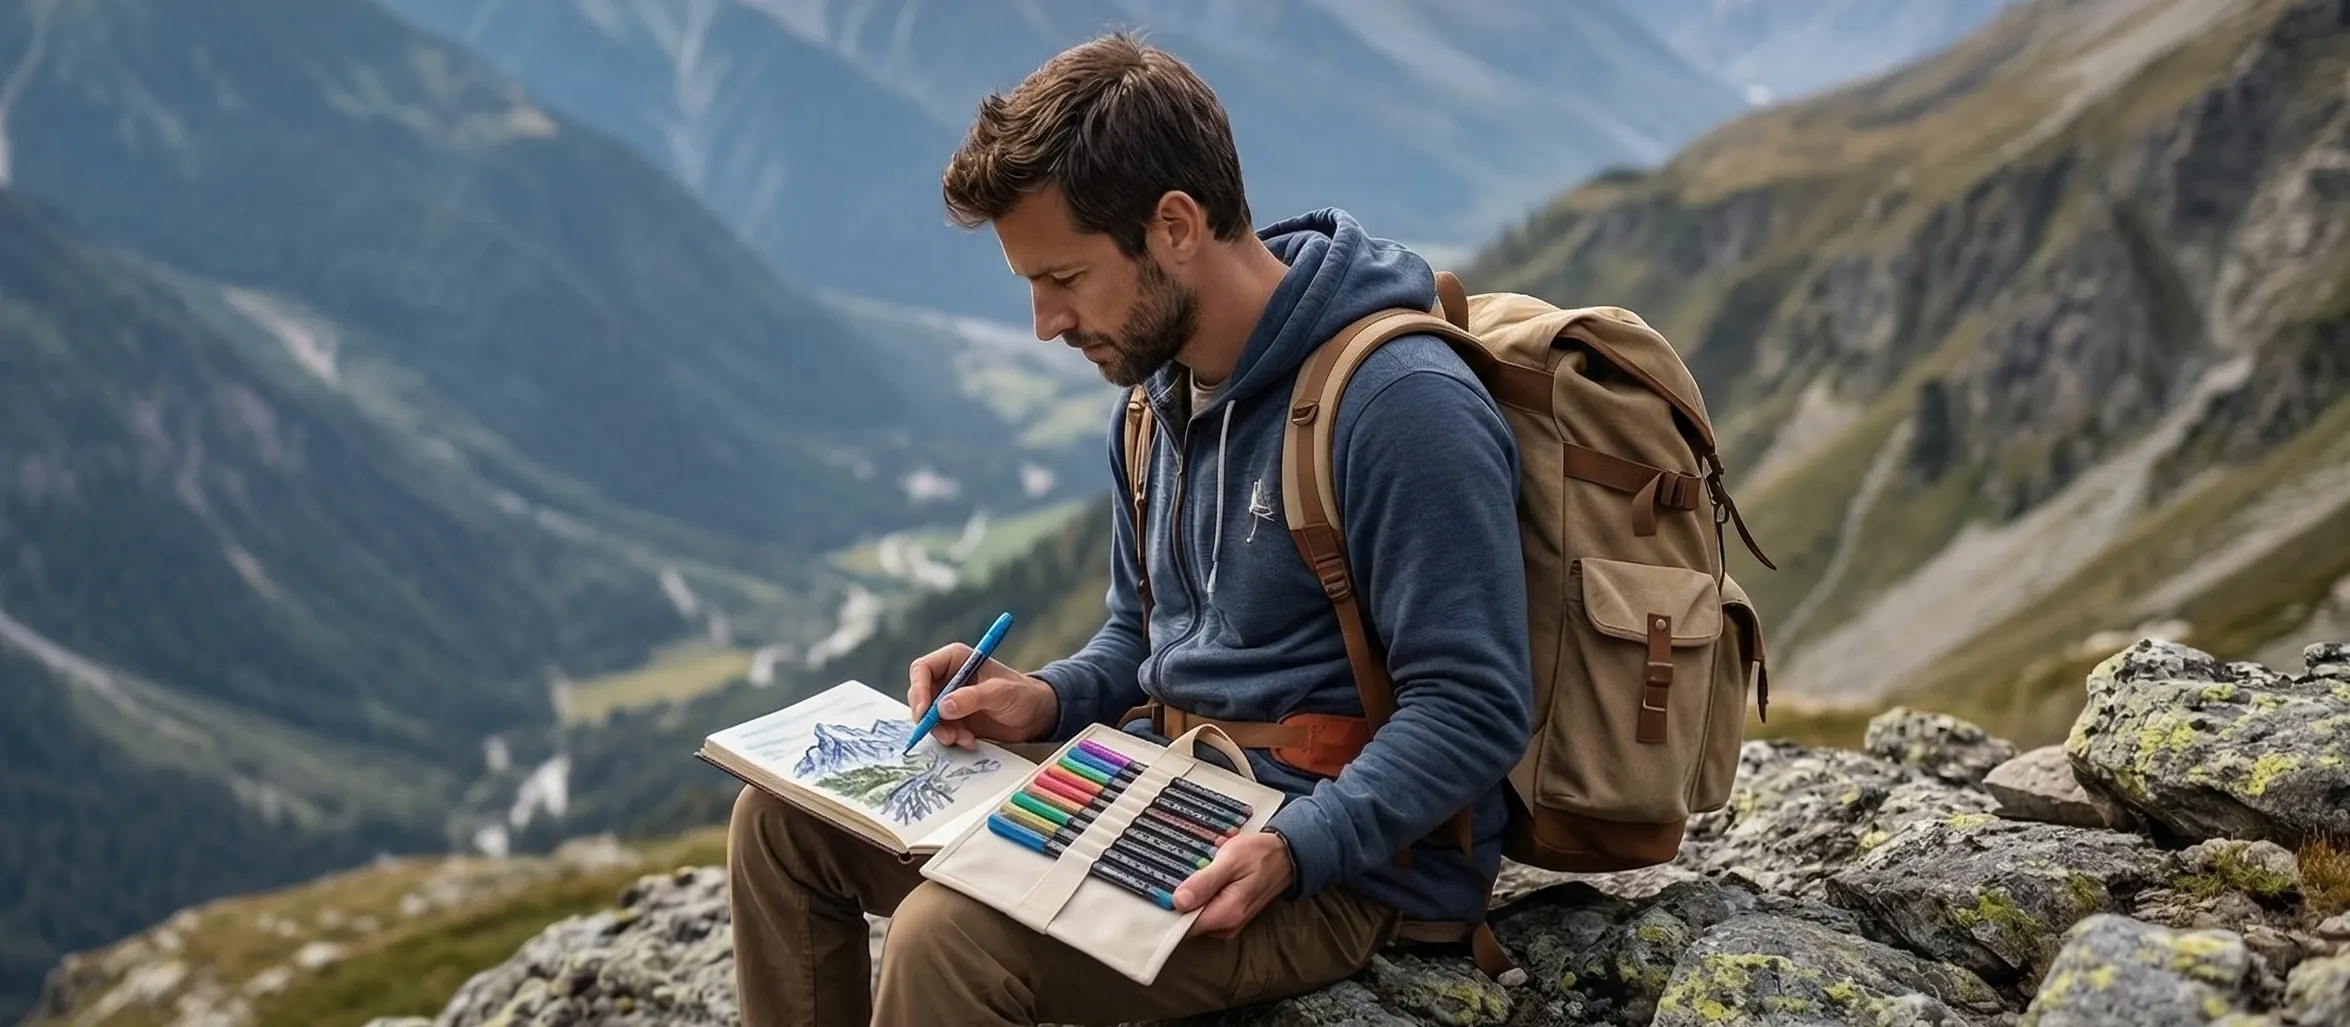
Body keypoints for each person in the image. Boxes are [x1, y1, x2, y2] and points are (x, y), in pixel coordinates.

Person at [726, 29, 1532, 1027]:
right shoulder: (1156, 399)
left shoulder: (1398, 405)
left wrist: (1298, 848)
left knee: (948, 941)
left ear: (1177, 225)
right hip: (1157, 792)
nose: (1043, 323)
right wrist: (1040, 699)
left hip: (1336, 871)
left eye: (1062, 278)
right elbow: (1140, 638)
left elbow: (1474, 704)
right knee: (782, 821)